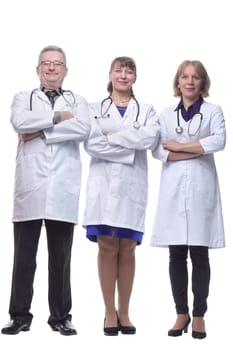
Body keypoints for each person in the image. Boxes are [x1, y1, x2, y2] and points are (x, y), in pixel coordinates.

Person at [1, 45, 90, 336]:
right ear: (37, 69)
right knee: (24, 257)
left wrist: (39, 131)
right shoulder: (22, 98)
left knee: (60, 259)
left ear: (65, 70)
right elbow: (19, 122)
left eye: (57, 64)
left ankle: (61, 316)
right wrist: (57, 118)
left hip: (63, 188)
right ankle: (19, 315)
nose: (52, 68)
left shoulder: (77, 101)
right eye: (46, 63)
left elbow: (82, 129)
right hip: (30, 187)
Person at [82, 56, 160, 336]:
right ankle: (108, 312)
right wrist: (129, 143)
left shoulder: (148, 111)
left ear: (135, 78)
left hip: (132, 187)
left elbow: (148, 139)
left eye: (129, 71)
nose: (124, 75)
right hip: (102, 187)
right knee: (106, 246)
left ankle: (124, 311)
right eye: (119, 70)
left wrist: (110, 138)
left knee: (127, 247)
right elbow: (91, 145)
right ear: (110, 75)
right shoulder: (93, 109)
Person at [150, 60, 226, 339]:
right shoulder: (165, 114)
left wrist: (180, 146)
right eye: (185, 77)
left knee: (200, 253)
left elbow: (218, 141)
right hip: (173, 188)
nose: (190, 82)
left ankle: (199, 315)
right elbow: (157, 149)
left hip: (201, 187)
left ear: (202, 82)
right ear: (178, 82)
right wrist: (195, 149)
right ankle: (180, 312)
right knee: (176, 253)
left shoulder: (213, 111)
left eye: (195, 77)